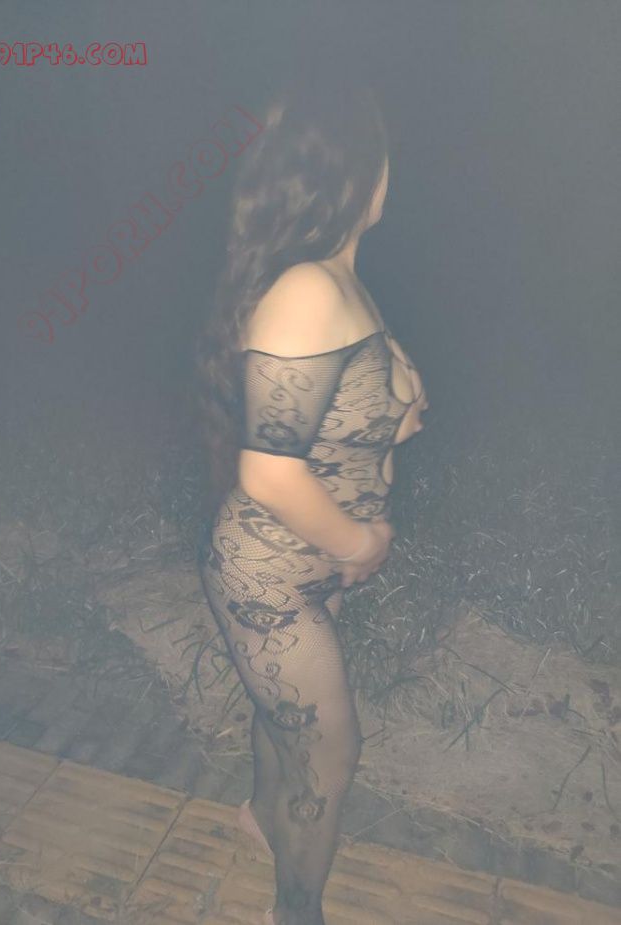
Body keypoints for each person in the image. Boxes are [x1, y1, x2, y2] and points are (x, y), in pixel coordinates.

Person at [194, 70, 428, 925]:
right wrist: (359, 541)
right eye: (383, 153)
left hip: (302, 565)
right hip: (268, 575)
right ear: (356, 170)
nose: (391, 170)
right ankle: (297, 911)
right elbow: (270, 472)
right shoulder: (307, 291)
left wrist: (396, 412)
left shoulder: (339, 283)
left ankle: (263, 816)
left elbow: (338, 415)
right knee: (330, 752)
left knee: (286, 715)